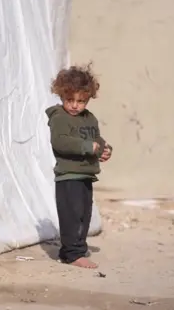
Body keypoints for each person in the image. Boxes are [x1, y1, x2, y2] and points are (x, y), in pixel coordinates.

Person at [46, 64, 112, 269]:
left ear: (88, 98)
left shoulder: (89, 118)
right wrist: (86, 146)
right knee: (71, 215)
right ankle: (71, 253)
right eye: (70, 100)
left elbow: (95, 139)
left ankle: (78, 249)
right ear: (61, 96)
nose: (75, 105)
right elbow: (60, 142)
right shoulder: (59, 118)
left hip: (85, 175)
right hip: (68, 176)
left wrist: (104, 149)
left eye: (80, 101)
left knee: (85, 214)